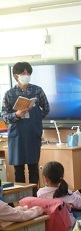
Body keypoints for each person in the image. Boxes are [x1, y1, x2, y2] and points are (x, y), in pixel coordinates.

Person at [1, 62, 50, 191]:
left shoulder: (37, 90)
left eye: (28, 73)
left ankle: (35, 196)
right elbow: (4, 115)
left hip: (33, 132)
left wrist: (36, 119)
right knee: (19, 170)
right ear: (15, 75)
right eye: (23, 73)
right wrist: (16, 114)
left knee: (34, 168)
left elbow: (46, 108)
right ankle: (22, 199)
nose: (26, 75)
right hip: (17, 135)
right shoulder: (9, 94)